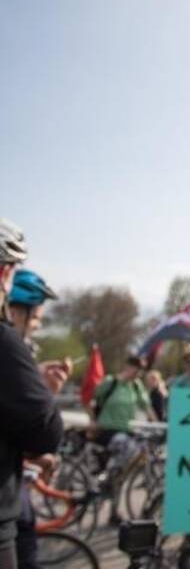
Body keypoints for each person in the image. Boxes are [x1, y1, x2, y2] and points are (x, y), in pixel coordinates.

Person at [0, 220, 65, 569]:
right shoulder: (5, 343)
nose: (36, 326)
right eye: (36, 319)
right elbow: (44, 430)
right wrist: (43, 393)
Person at [91, 356, 155, 524]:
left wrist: (157, 425)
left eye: (140, 370)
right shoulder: (111, 382)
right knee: (129, 449)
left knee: (121, 474)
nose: (137, 373)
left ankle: (113, 509)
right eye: (135, 368)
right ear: (127, 366)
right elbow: (93, 396)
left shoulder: (136, 386)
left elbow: (146, 406)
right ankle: (110, 477)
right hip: (107, 430)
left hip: (127, 431)